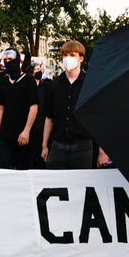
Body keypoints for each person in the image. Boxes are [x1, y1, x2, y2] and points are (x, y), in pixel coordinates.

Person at [41, 40, 95, 169]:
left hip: (83, 147)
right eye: (65, 55)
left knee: (81, 187)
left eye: (72, 55)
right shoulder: (54, 84)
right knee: (54, 187)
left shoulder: (90, 84)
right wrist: (44, 145)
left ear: (81, 58)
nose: (68, 58)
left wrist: (103, 152)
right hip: (57, 146)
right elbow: (49, 118)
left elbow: (98, 118)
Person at [0, 48, 38, 170]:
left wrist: (27, 130)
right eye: (5, 60)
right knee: (3, 169)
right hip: (6, 134)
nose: (8, 62)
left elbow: (33, 107)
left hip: (24, 134)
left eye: (11, 59)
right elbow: (0, 108)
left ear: (17, 60)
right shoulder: (2, 82)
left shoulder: (29, 81)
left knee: (23, 170)